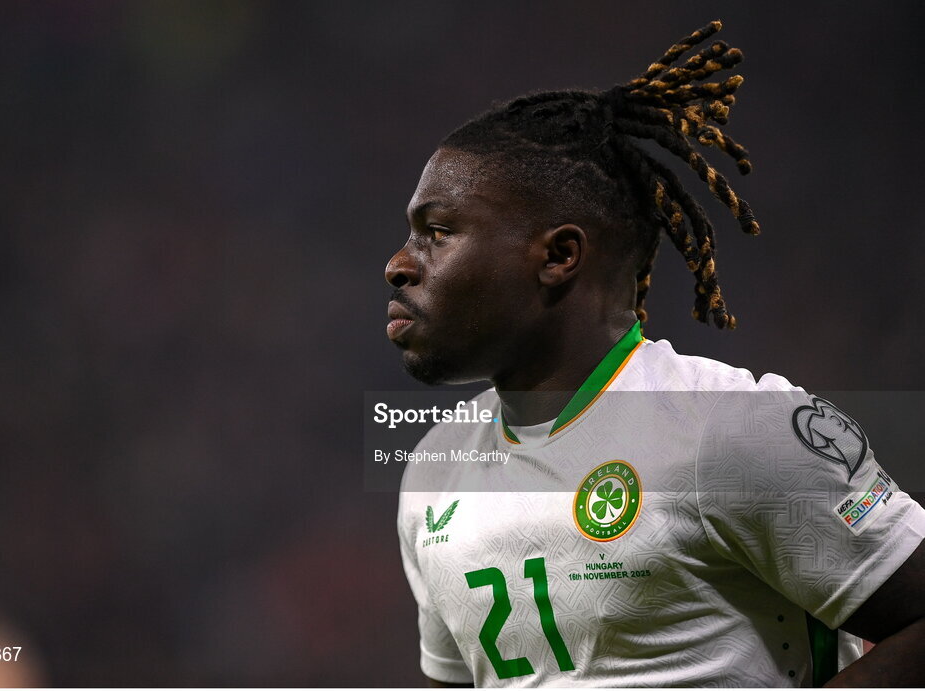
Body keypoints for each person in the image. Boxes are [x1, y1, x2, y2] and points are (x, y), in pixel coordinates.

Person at [385, 21, 925, 687]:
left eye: (437, 232)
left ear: (558, 256)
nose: (398, 265)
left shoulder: (727, 430)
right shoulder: (432, 470)